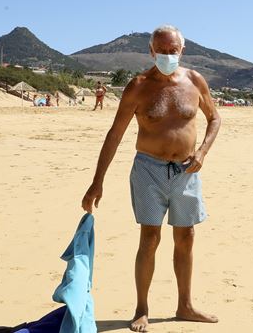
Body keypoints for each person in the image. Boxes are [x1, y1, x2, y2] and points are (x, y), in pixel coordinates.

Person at [81, 25, 221, 331]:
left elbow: (214, 118)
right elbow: (115, 134)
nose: (167, 56)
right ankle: (141, 309)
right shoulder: (138, 86)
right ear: (151, 51)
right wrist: (97, 181)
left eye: (173, 51)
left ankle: (185, 305)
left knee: (186, 237)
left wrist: (202, 153)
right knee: (150, 237)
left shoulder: (194, 81)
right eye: (161, 51)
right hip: (148, 170)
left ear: (181, 51)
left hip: (187, 169)